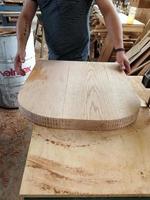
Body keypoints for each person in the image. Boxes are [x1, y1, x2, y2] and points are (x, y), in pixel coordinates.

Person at [15, 0, 130, 76]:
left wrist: (119, 49)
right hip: (54, 56)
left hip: (79, 56)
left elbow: (108, 11)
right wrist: (21, 48)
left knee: (77, 99)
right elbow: (25, 16)